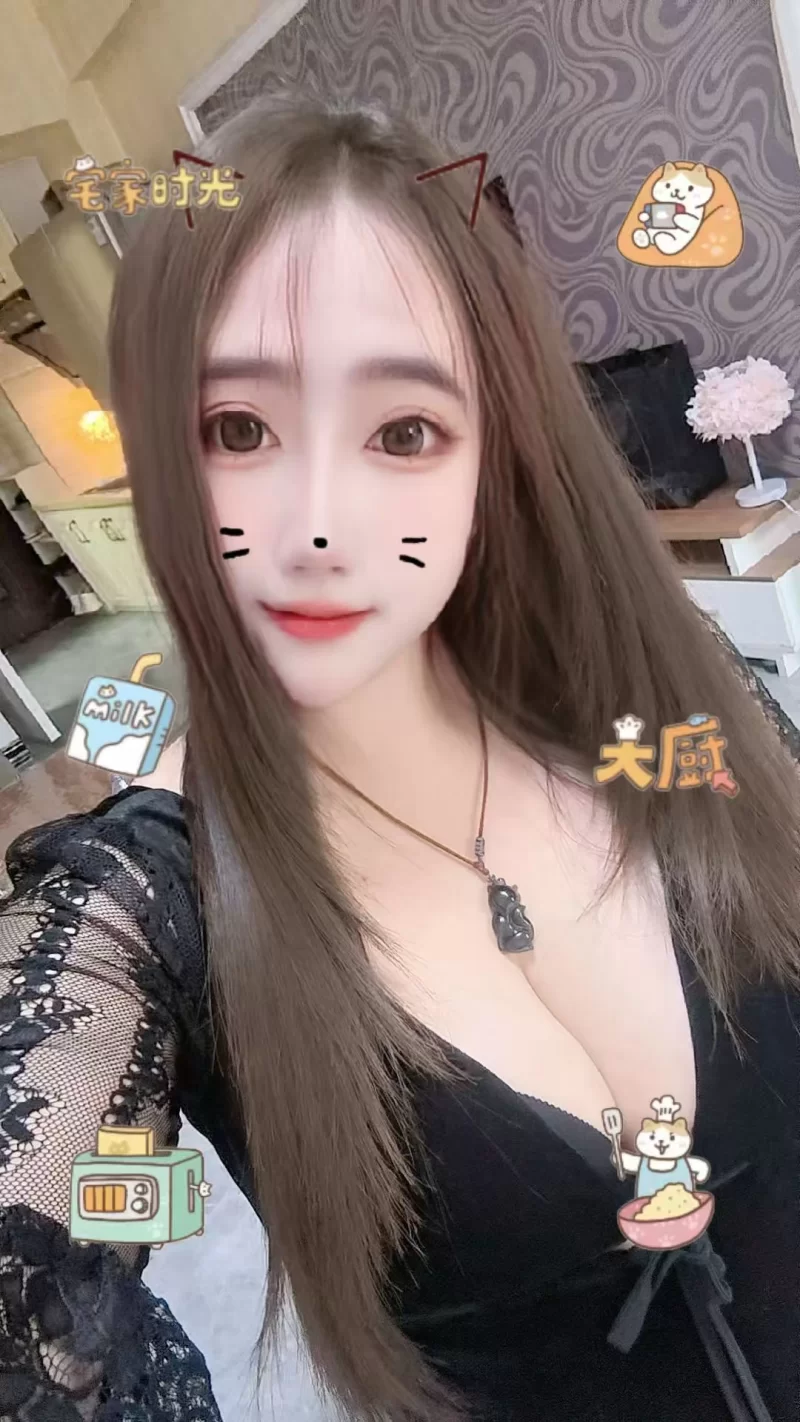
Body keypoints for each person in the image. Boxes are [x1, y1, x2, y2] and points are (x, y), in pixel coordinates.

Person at [1, 92, 798, 1422]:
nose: (319, 525)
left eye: (405, 432)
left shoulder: (658, 723)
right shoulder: (148, 912)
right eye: (239, 429)